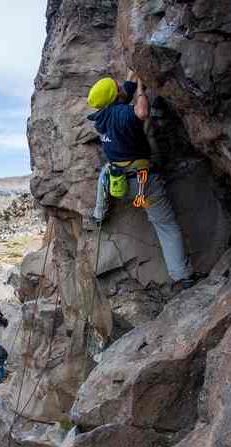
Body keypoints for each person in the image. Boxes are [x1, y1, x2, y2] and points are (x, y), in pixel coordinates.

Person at [87, 72, 195, 289]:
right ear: (115, 95)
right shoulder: (124, 114)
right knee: (166, 226)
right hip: (143, 185)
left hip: (118, 181)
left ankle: (99, 213)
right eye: (117, 86)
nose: (120, 87)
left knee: (105, 171)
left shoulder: (102, 119)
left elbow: (121, 96)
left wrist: (132, 75)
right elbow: (142, 112)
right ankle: (182, 276)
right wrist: (142, 91)